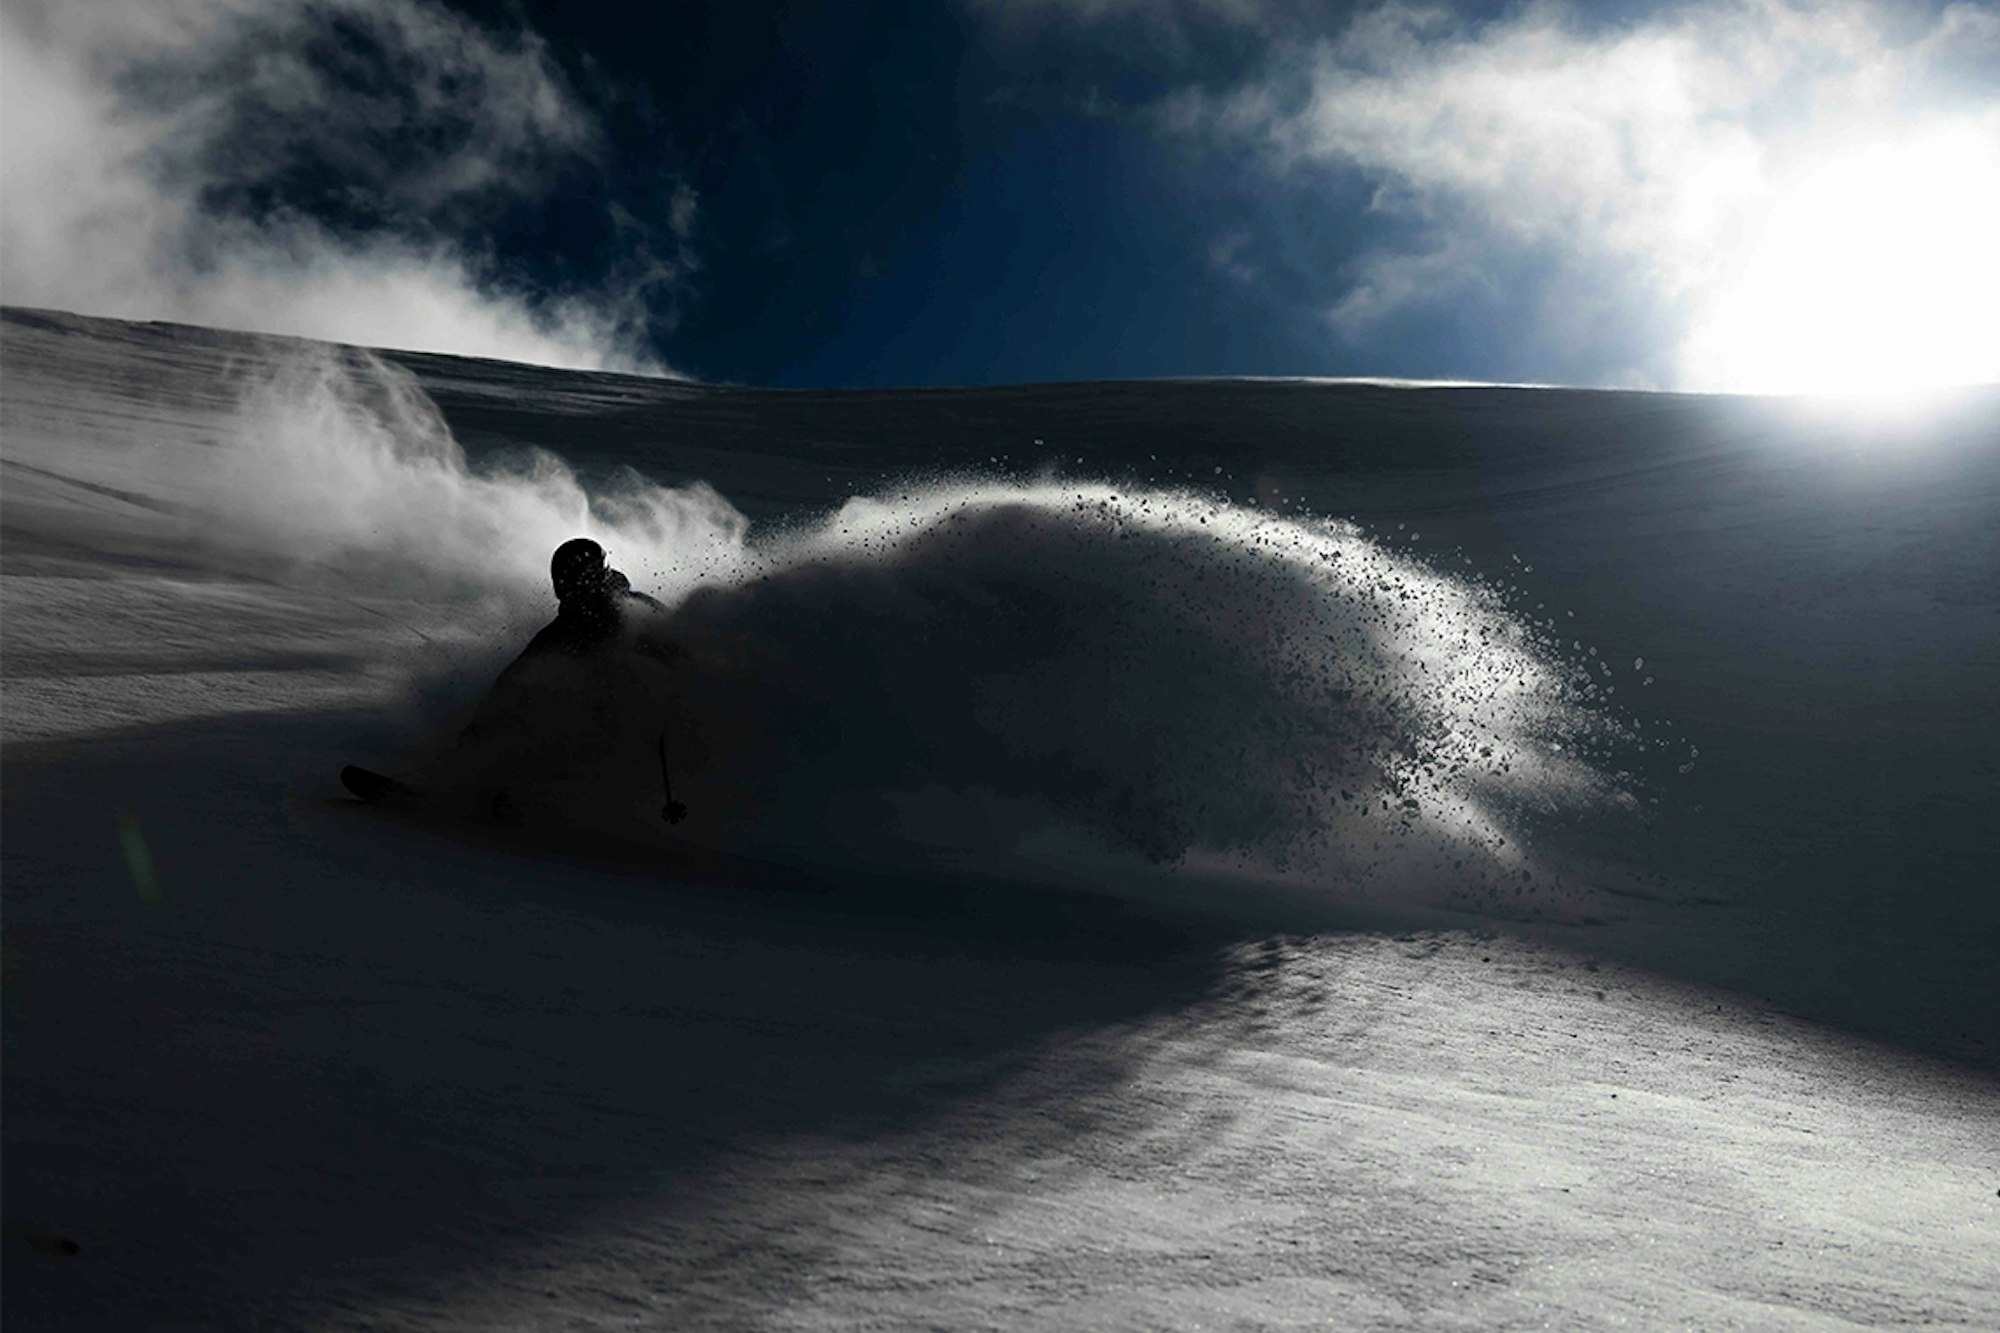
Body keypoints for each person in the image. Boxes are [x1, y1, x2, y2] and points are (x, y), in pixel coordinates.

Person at [458, 537, 688, 823]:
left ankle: (556, 799)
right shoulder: (566, 629)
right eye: (564, 580)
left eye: (576, 579)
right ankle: (500, 779)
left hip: (657, 726)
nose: (569, 588)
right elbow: (518, 678)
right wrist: (479, 728)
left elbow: (680, 654)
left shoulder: (632, 611)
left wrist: (667, 687)